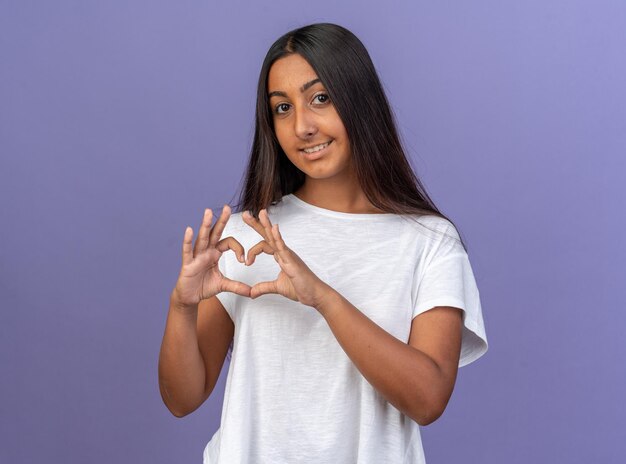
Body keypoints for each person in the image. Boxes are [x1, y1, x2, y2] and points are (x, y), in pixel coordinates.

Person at [158, 23, 487, 464]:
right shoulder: (246, 236)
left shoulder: (429, 240)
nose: (302, 127)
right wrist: (181, 307)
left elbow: (428, 399)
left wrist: (323, 297)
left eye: (320, 99)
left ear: (359, 102)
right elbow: (182, 399)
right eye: (281, 108)